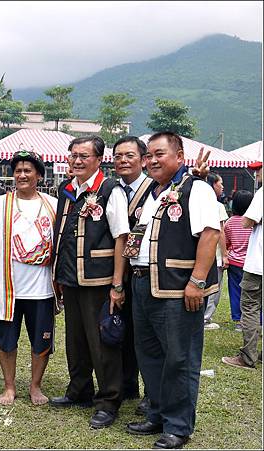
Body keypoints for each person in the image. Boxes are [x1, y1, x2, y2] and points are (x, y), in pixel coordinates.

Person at [126, 132, 220, 449]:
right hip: (142, 283)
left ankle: (178, 426)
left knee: (179, 358)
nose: (151, 160)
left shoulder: (197, 189)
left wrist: (197, 280)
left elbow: (210, 234)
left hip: (177, 288)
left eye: (159, 154)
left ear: (179, 156)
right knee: (149, 355)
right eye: (148, 155)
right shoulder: (151, 192)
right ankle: (156, 414)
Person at [50, 136, 129, 429]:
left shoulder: (110, 190)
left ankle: (109, 401)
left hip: (99, 279)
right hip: (70, 277)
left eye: (84, 156)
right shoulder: (67, 189)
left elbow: (122, 236)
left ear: (99, 160)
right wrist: (58, 273)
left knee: (102, 341)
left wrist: (117, 283)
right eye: (73, 155)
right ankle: (79, 390)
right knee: (76, 339)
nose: (77, 161)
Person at [0, 150, 58, 406]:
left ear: (38, 174)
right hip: (8, 288)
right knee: (6, 340)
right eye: (18, 171)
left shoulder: (53, 204)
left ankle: (35, 386)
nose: (22, 175)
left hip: (42, 289)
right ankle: (9, 386)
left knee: (42, 341)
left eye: (28, 170)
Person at [111, 136, 153, 415]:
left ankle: (152, 392)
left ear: (143, 159)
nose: (123, 161)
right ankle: (127, 384)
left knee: (147, 334)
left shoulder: (156, 188)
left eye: (129, 156)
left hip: (145, 270)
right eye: (118, 156)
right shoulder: (110, 189)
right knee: (120, 328)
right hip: (115, 271)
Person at [222, 161, 262, 370]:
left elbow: (248, 222)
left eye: (258, 171)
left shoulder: (262, 194)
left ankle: (248, 357)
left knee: (250, 306)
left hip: (256, 265)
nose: (256, 175)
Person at [223, 190, 254, 329]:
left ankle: (238, 320)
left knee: (235, 291)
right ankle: (257, 319)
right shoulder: (254, 222)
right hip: (252, 263)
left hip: (234, 263)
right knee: (254, 293)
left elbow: (227, 242)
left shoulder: (229, 222)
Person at [203, 173, 229, 330]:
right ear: (213, 185)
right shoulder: (217, 205)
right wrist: (225, 254)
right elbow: (221, 231)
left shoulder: (197, 203)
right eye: (220, 184)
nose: (223, 187)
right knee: (214, 289)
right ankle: (205, 319)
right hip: (215, 255)